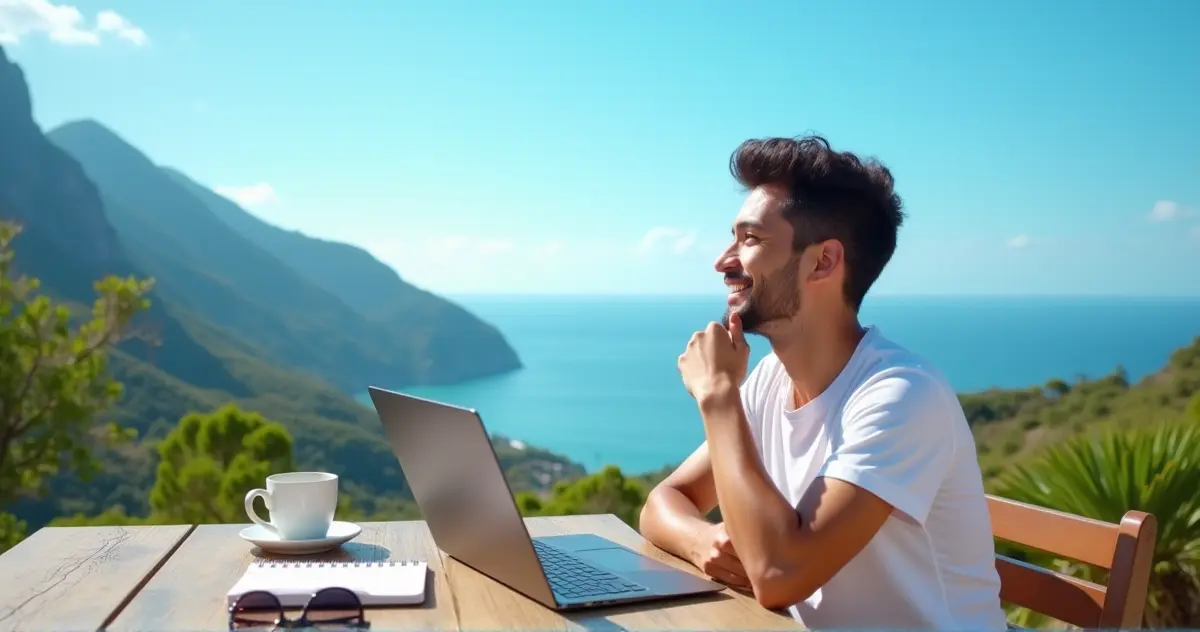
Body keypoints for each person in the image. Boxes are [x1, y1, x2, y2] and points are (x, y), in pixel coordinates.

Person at [639, 135, 1007, 630]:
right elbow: (664, 502)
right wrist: (702, 541)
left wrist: (718, 396)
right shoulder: (771, 378)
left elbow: (778, 574)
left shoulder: (901, 396)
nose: (723, 261)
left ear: (823, 262)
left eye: (750, 240)